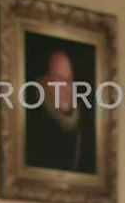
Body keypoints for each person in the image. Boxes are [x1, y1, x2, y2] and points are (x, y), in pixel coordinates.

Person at [23, 46, 96, 174]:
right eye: (59, 79)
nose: (65, 87)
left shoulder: (84, 127)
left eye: (68, 80)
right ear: (45, 82)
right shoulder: (31, 121)